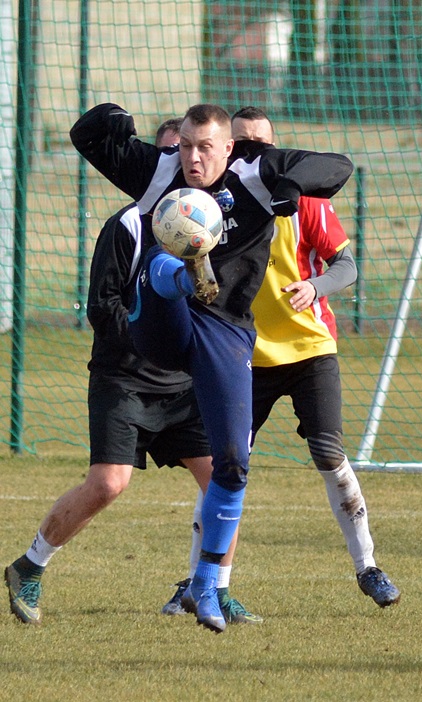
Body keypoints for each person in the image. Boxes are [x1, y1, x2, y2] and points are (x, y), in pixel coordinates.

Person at [68, 102, 353, 633]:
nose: (193, 158)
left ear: (230, 148)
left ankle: (205, 585)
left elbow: (338, 166)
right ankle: (187, 272)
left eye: (206, 148)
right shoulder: (160, 169)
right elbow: (86, 137)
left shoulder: (257, 171)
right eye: (187, 146)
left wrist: (293, 185)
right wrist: (113, 118)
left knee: (232, 464)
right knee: (159, 261)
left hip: (224, 332)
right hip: (160, 325)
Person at [4, 118, 257, 626]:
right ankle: (28, 566)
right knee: (108, 484)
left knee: (225, 479)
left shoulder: (208, 226)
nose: (182, 167)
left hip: (182, 383)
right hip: (124, 378)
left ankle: (214, 589)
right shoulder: (127, 225)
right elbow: (103, 306)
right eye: (172, 155)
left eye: (191, 154)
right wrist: (152, 333)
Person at [159, 107, 399, 613]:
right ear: (229, 149)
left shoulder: (299, 199)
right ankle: (197, 583)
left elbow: (347, 267)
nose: (253, 152)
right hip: (242, 353)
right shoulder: (202, 206)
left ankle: (368, 567)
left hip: (310, 348)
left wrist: (315, 287)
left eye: (261, 144)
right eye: (243, 143)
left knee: (329, 453)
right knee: (222, 468)